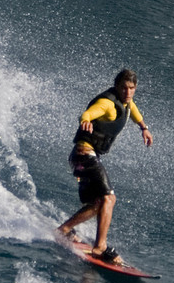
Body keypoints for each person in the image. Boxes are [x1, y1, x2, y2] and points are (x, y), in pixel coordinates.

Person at [57, 69, 152, 262]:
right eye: (124, 88)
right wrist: (85, 121)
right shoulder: (107, 103)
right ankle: (100, 247)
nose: (127, 92)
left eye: (132, 88)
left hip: (85, 156)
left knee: (98, 203)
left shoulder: (126, 101)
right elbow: (89, 113)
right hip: (84, 154)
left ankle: (64, 230)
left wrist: (144, 128)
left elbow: (132, 110)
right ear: (116, 87)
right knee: (109, 199)